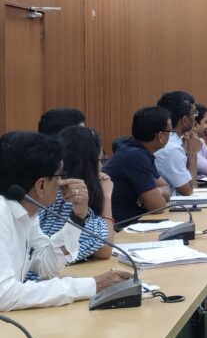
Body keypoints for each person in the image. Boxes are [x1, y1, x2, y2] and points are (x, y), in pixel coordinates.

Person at [0, 131, 130, 311]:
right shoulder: (2, 214)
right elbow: (4, 295)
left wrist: (77, 218)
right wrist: (92, 285)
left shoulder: (27, 211)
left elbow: (46, 265)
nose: (62, 182)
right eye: (60, 175)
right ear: (42, 185)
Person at [33, 127, 114, 273]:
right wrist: (107, 196)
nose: (101, 167)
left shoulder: (62, 189)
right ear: (88, 164)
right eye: (100, 160)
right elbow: (104, 248)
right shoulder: (67, 196)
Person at [103, 106, 172, 224]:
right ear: (160, 136)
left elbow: (165, 187)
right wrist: (159, 193)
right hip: (120, 227)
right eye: (170, 132)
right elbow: (157, 206)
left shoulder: (139, 151)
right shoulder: (135, 156)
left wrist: (159, 191)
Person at [155, 91, 201, 196]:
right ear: (184, 120)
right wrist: (193, 153)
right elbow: (188, 190)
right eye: (194, 113)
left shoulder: (171, 140)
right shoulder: (172, 148)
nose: (195, 117)